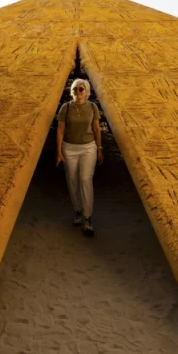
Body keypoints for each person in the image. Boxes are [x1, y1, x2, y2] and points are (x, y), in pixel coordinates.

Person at [56, 78, 103, 236]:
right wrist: (58, 151)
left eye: (81, 89)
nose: (78, 92)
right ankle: (77, 210)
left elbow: (97, 129)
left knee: (85, 179)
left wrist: (100, 148)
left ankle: (87, 217)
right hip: (69, 148)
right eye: (75, 89)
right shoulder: (66, 108)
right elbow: (60, 130)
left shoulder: (92, 107)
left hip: (88, 147)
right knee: (72, 179)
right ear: (71, 92)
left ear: (87, 91)